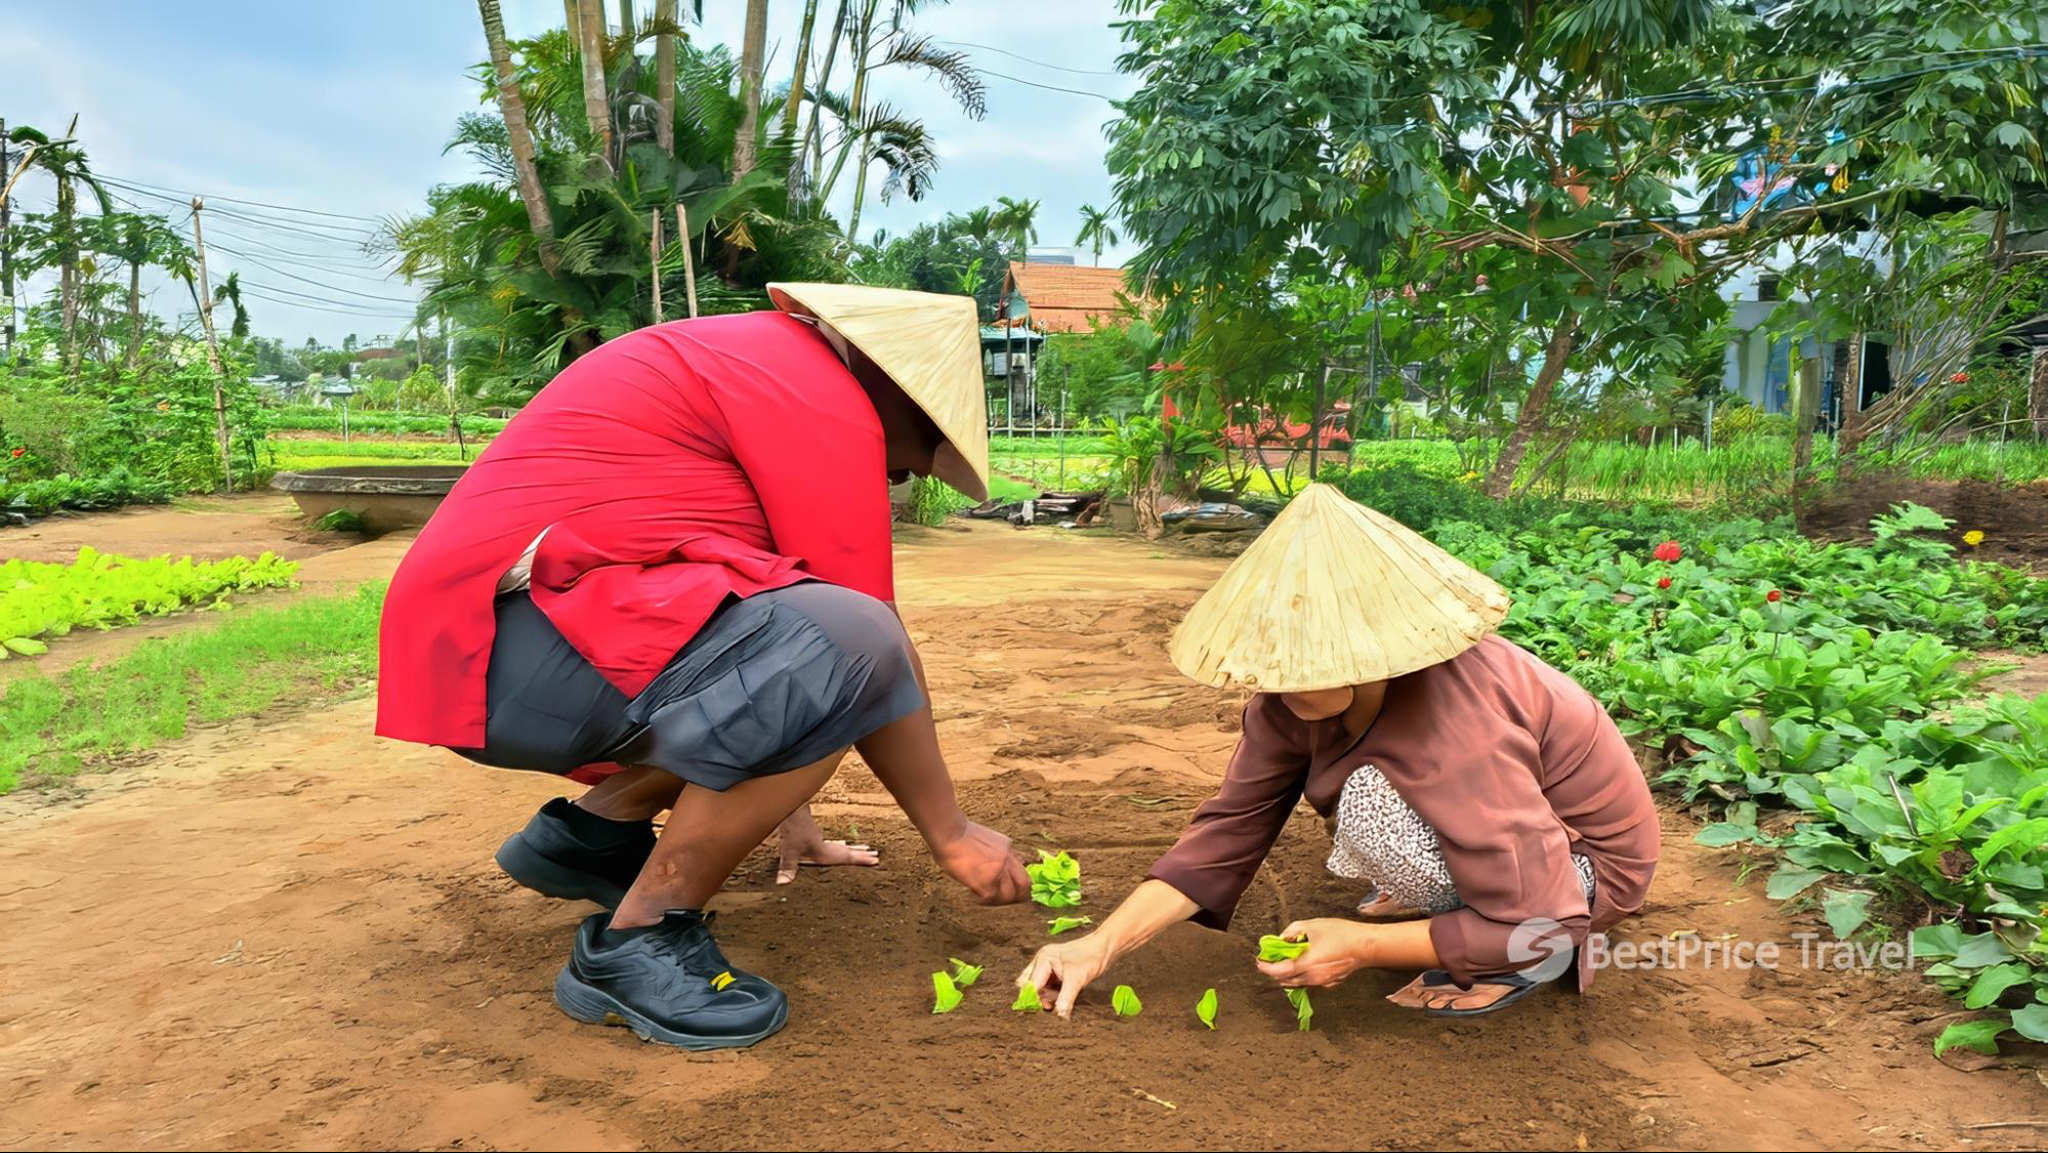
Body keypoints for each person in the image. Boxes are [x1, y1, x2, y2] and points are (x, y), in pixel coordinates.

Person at [377, 283, 1030, 1050]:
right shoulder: (818, 392)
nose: (902, 479)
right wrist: (949, 832)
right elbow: (867, 645)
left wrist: (791, 802)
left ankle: (594, 837)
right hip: (510, 646)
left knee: (817, 638)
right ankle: (638, 941)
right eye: (918, 458)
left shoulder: (756, 361)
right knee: (856, 636)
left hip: (498, 644)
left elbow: (772, 661)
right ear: (901, 400)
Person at [1018, 484, 1659, 1018]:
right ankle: (1461, 903)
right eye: (1269, 662)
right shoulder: (1285, 701)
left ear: (1369, 646)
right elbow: (1229, 830)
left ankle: (1494, 955)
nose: (1277, 679)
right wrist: (1099, 946)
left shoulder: (1460, 726)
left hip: (1584, 871)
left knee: (1376, 803)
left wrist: (1363, 947)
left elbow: (1548, 923)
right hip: (1514, 839)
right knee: (1375, 797)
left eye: (1304, 663)